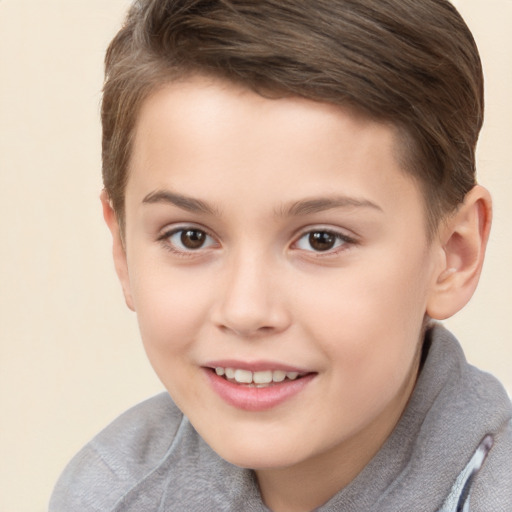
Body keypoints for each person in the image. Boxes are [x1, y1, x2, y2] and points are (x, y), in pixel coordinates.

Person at [49, 0, 512, 510]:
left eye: (321, 240)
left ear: (454, 254)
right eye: (191, 237)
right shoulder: (106, 491)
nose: (246, 310)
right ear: (122, 249)